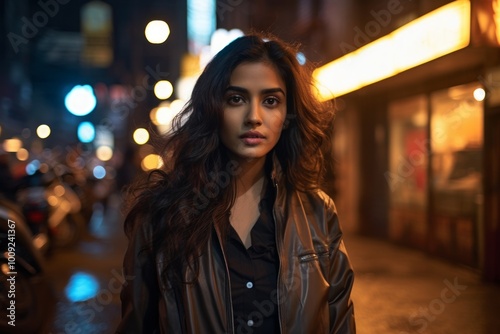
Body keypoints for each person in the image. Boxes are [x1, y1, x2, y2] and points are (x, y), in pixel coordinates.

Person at [117, 33, 356, 334]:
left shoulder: (318, 212)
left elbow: (340, 323)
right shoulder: (160, 215)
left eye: (271, 101)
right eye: (236, 99)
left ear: (287, 113)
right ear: (212, 108)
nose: (254, 117)